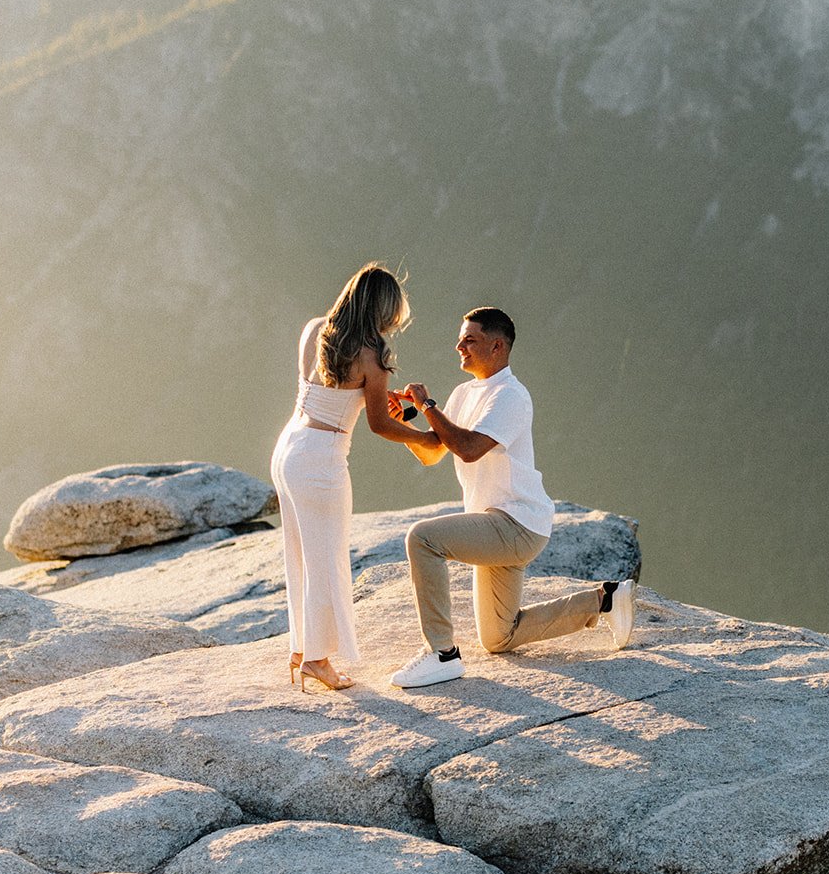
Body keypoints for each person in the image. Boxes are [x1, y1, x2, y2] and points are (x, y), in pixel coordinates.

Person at [385, 306, 636, 688]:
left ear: (497, 346)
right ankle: (605, 600)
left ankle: (442, 654)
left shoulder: (511, 396)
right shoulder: (465, 392)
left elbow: (468, 448)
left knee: (422, 538)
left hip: (515, 523)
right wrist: (403, 421)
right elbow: (435, 450)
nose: (459, 346)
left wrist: (427, 405)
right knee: (499, 637)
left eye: (470, 340)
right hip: (494, 525)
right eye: (460, 338)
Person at [269, 263, 436, 692]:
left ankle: (300, 648)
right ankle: (318, 660)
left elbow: (330, 394)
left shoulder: (316, 330)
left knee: (300, 556)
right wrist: (427, 436)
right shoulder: (372, 355)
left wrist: (372, 396)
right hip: (322, 460)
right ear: (384, 311)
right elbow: (381, 425)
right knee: (326, 559)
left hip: (289, 447)